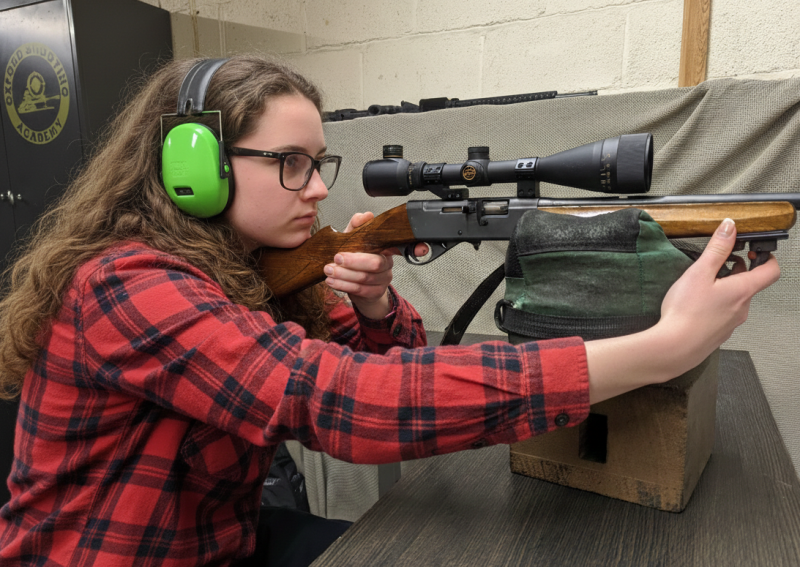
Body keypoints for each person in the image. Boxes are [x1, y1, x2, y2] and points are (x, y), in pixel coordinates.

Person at [0, 54, 780, 567]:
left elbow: (386, 365)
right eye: (291, 163)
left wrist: (374, 303)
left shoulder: (244, 271)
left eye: (319, 162)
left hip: (223, 542)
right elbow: (343, 404)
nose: (315, 187)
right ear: (190, 166)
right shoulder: (126, 285)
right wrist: (657, 349)